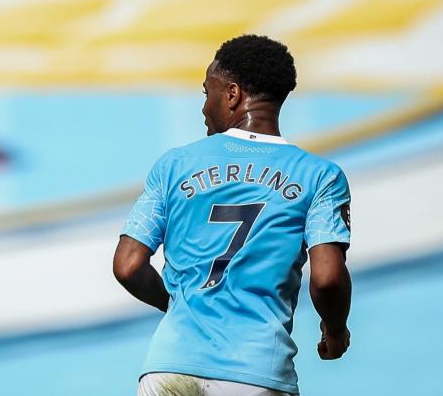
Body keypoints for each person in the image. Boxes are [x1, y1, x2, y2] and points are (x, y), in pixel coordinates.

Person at [113, 34, 352, 396]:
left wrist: (181, 306)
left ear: (232, 94)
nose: (204, 106)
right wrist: (335, 330)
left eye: (207, 92)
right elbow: (328, 276)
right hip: (256, 373)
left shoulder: (175, 165)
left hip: (171, 368)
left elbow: (127, 265)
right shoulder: (319, 176)